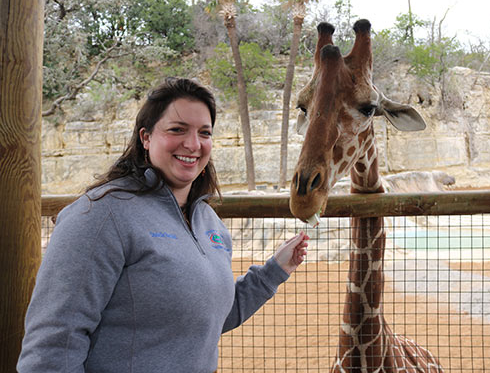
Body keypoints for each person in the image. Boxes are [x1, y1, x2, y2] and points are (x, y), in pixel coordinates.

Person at [17, 77, 309, 372]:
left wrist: (275, 271)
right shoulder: (100, 215)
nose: (193, 144)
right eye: (177, 130)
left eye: (204, 133)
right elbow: (53, 344)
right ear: (146, 137)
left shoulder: (210, 223)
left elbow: (207, 318)